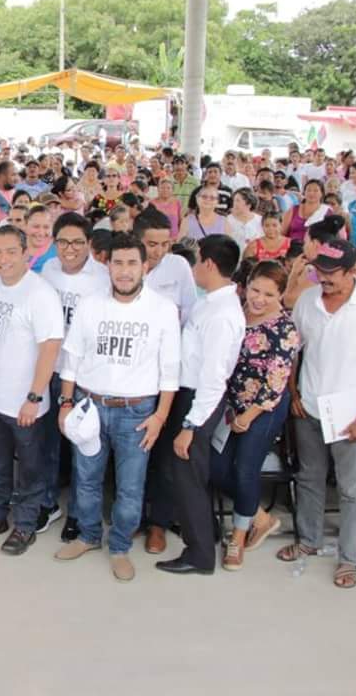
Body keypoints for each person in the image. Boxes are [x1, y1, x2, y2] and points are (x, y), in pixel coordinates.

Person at [54, 233, 180, 583]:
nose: (124, 271)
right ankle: (88, 536)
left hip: (137, 413)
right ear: (107, 265)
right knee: (86, 479)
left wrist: (160, 417)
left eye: (132, 263)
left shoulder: (163, 309)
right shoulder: (90, 304)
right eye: (118, 263)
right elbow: (72, 358)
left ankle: (120, 546)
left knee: (130, 487)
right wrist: (66, 403)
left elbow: (170, 371)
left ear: (145, 267)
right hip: (90, 406)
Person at [281, 238, 356, 589]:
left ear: (352, 271)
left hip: (349, 414)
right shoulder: (308, 301)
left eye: (331, 273)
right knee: (309, 478)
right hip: (309, 407)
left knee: (351, 489)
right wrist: (294, 391)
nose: (324, 278)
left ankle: (348, 558)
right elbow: (293, 351)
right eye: (320, 271)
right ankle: (309, 540)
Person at [147, 235, 244, 575]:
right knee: (182, 473)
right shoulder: (210, 302)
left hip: (199, 400)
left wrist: (191, 425)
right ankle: (203, 536)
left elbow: (214, 377)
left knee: (189, 476)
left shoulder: (222, 314)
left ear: (210, 265)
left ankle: (200, 554)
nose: (193, 268)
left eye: (198, 260)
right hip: (189, 395)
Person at [0, 225, 64, 556]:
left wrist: (34, 397)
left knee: (30, 468)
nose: (3, 259)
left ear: (26, 254)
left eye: (11, 252)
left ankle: (25, 524)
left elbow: (50, 348)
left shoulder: (41, 294)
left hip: (25, 403)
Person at [210, 260, 298, 570]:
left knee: (245, 469)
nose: (259, 299)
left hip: (263, 408)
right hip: (230, 404)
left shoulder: (284, 329)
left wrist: (249, 416)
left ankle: (238, 535)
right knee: (216, 467)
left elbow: (276, 382)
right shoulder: (236, 312)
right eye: (255, 290)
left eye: (269, 295)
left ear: (281, 295)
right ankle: (261, 517)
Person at [40, 212, 110, 539]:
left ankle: (79, 514)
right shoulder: (48, 270)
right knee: (48, 444)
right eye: (63, 242)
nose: (70, 249)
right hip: (51, 368)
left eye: (78, 242)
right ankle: (48, 502)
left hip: (84, 377)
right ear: (54, 243)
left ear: (89, 244)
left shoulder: (102, 278)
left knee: (83, 448)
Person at [135, 210, 196, 321]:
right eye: (152, 245)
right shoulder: (122, 267)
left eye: (164, 244)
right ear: (136, 240)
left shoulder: (178, 266)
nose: (159, 252)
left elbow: (190, 310)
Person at [226, 188, 264, 254]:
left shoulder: (260, 220)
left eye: (238, 200)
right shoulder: (228, 220)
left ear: (248, 204)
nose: (234, 204)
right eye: (234, 201)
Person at [24, 205, 58, 273]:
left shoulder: (60, 249)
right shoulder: (15, 245)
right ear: (25, 225)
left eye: (46, 227)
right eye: (36, 226)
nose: (41, 233)